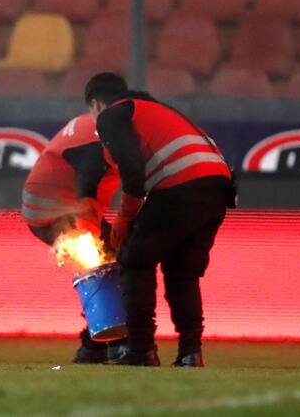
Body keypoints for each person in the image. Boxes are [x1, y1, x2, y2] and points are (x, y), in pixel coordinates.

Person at [84, 73, 236, 367]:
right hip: (218, 187)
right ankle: (190, 352)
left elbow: (132, 171)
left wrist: (124, 218)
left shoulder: (112, 115)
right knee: (182, 274)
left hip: (180, 186)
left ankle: (141, 350)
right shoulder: (156, 109)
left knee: (135, 260)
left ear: (95, 104)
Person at [21, 112, 122, 363]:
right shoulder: (98, 140)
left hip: (53, 213)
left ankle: (99, 345)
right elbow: (87, 182)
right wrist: (87, 230)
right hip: (65, 216)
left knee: (114, 265)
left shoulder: (89, 127)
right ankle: (107, 344)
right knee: (107, 268)